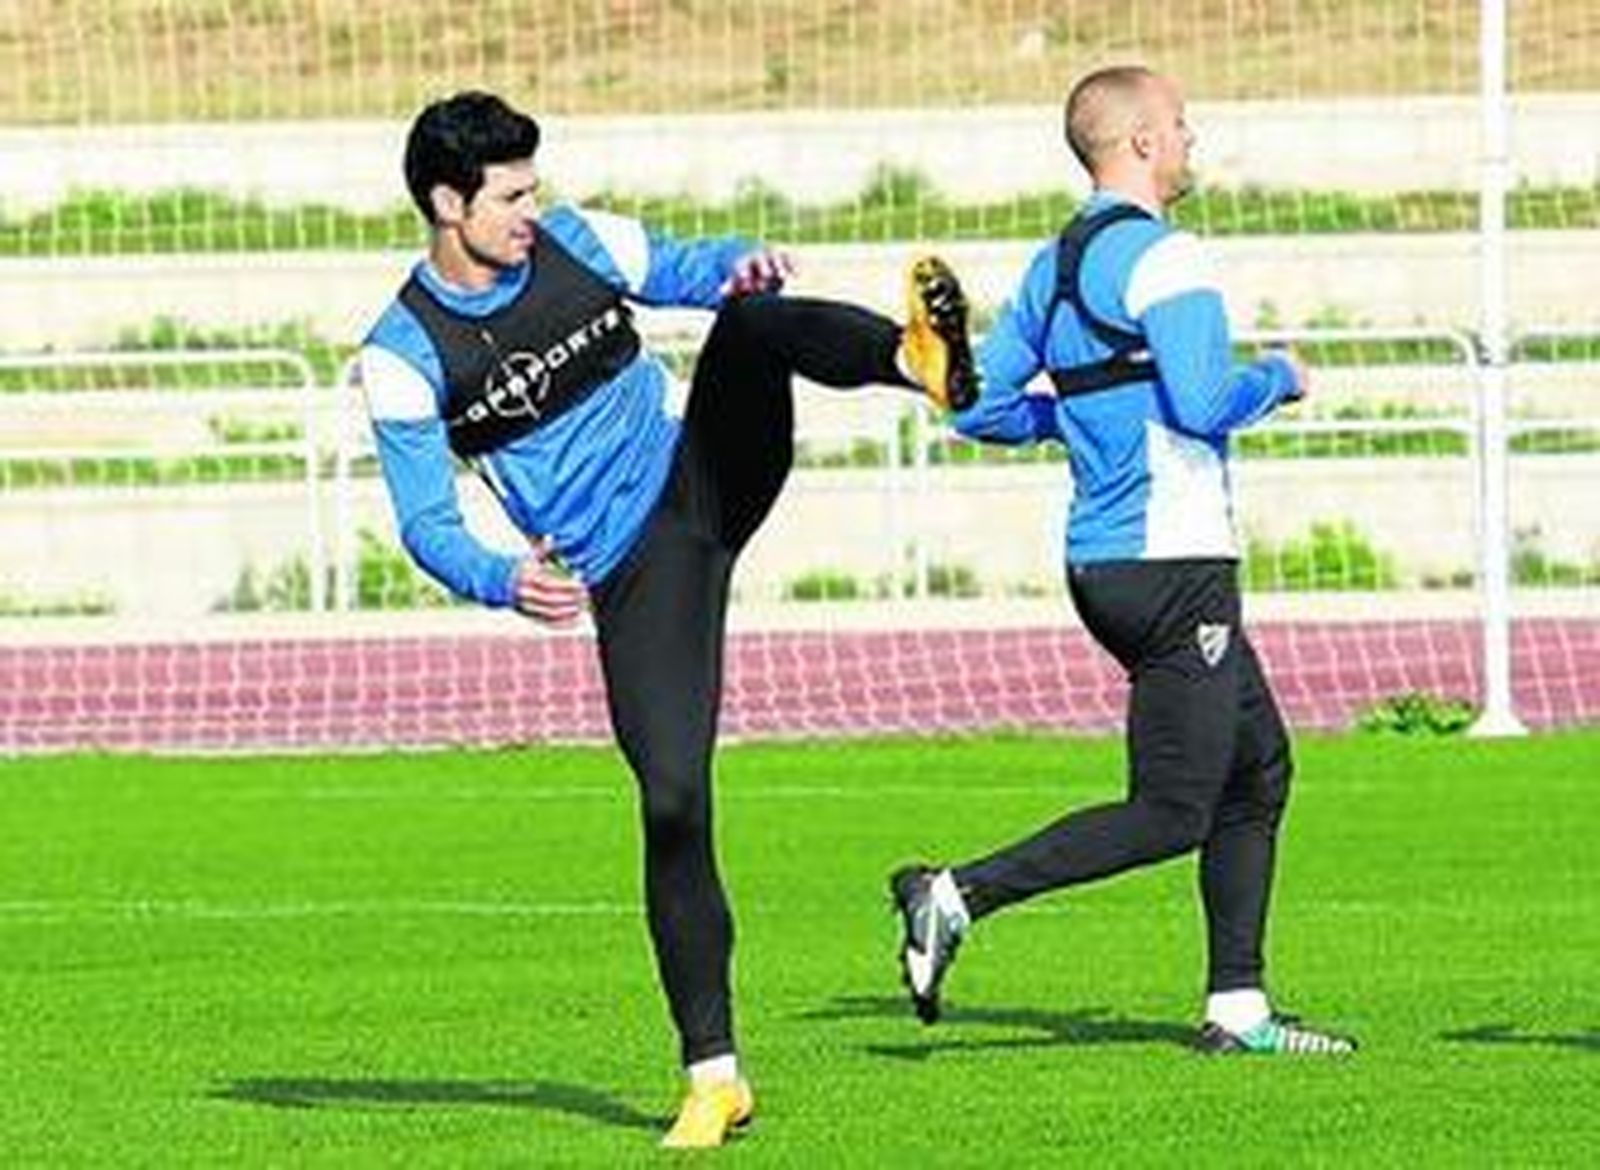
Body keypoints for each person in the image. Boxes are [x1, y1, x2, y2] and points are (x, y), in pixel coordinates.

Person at [357, 91, 977, 1148]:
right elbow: (425, 522)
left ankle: (913, 360)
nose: (531, 212)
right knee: (674, 803)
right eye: (509, 197)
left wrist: (742, 263)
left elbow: (694, 268)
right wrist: (501, 578)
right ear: (447, 203)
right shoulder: (402, 353)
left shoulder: (577, 240)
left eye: (534, 189)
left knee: (752, 325)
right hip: (637, 572)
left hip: (705, 476)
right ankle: (715, 1078)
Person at [889, 65, 1356, 1056]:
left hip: (1106, 565)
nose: (1191, 138)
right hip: (1173, 559)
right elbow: (1202, 402)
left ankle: (1239, 1009)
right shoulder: (1167, 258)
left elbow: (975, 408)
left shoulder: (1053, 267)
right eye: (1180, 123)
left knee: (1258, 771)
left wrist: (1071, 417)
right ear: (1141, 141)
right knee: (1174, 810)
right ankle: (954, 895)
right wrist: (1279, 377)